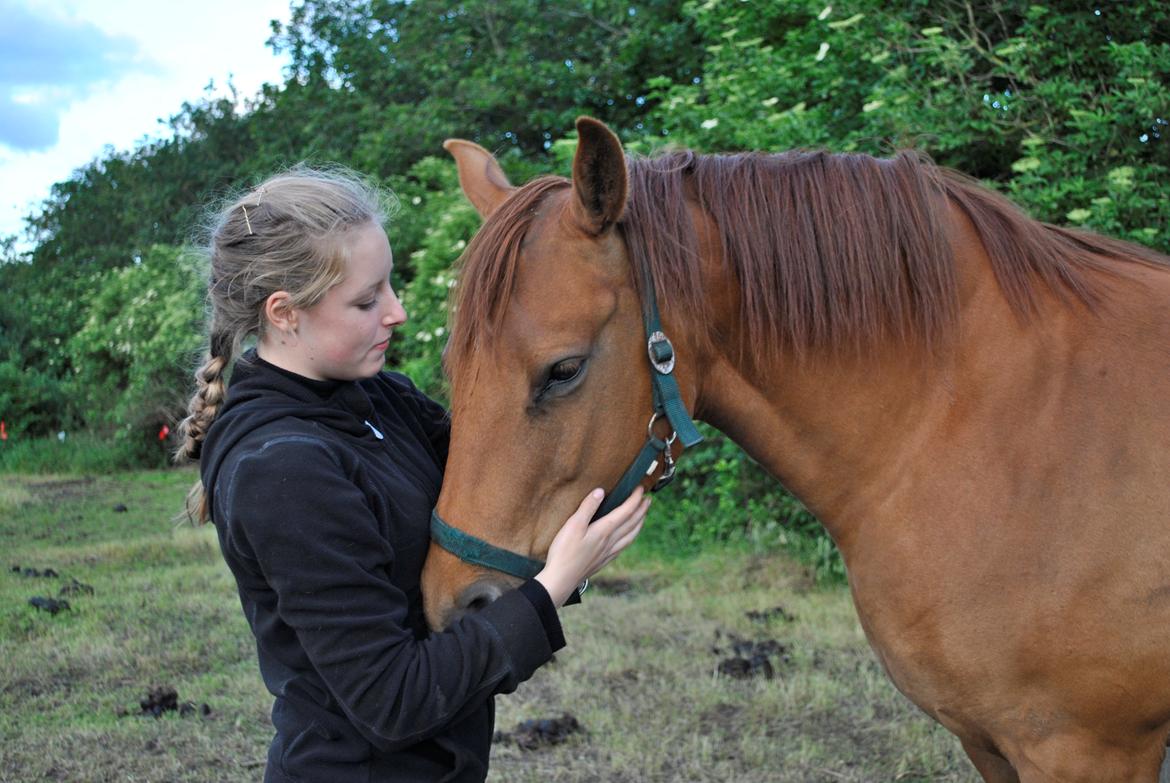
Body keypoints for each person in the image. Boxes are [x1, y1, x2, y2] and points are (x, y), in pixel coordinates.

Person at [176, 166, 649, 782]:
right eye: (366, 300)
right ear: (285, 313)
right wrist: (552, 586)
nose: (396, 312)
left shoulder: (384, 400)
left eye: (389, 285)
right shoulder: (281, 471)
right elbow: (395, 702)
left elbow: (506, 479)